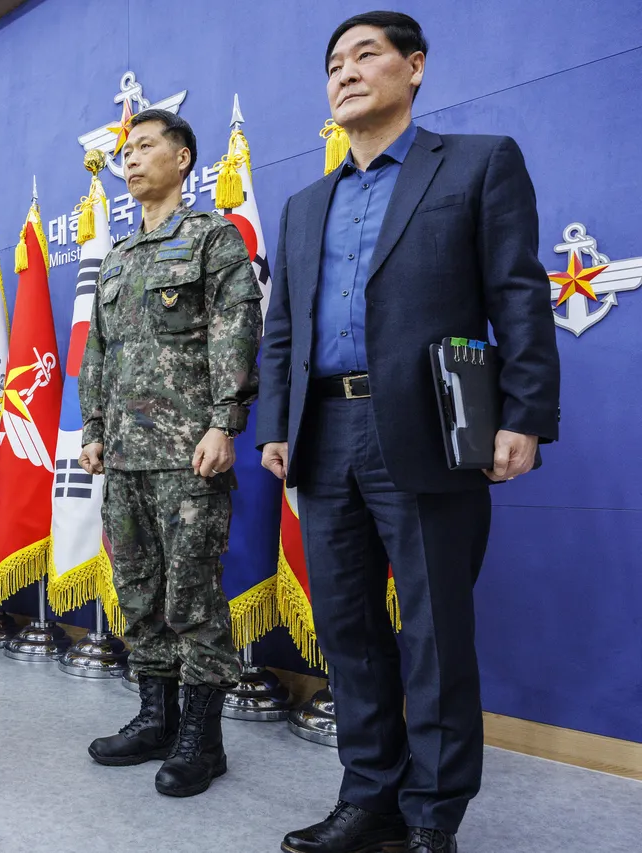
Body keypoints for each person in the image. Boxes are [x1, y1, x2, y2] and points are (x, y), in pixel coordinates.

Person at [258, 13, 559, 853]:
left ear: (415, 67)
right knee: (347, 629)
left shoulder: (477, 162)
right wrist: (276, 424)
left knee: (433, 631)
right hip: (323, 433)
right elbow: (283, 329)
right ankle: (370, 798)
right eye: (334, 64)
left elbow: (517, 293)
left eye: (367, 56)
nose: (346, 73)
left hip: (431, 425)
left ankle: (432, 814)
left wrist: (524, 414)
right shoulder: (305, 204)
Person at [78, 109, 263, 798]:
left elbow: (236, 330)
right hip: (124, 457)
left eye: (145, 146)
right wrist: (93, 427)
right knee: (138, 593)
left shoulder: (213, 236)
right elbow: (97, 350)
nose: (129, 159)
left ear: (183, 159)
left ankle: (202, 740)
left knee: (192, 596)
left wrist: (224, 422)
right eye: (125, 151)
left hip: (189, 453)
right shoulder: (119, 256)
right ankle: (157, 718)